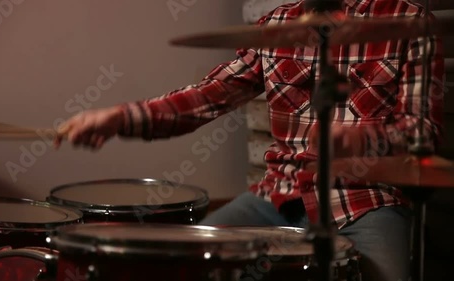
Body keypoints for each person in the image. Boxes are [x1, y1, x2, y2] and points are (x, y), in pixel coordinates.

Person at [54, 0, 445, 280]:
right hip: (279, 195)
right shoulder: (276, 27)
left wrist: (359, 142)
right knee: (189, 262)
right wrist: (119, 118)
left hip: (366, 200)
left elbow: (421, 131)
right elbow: (208, 96)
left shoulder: (410, 23)